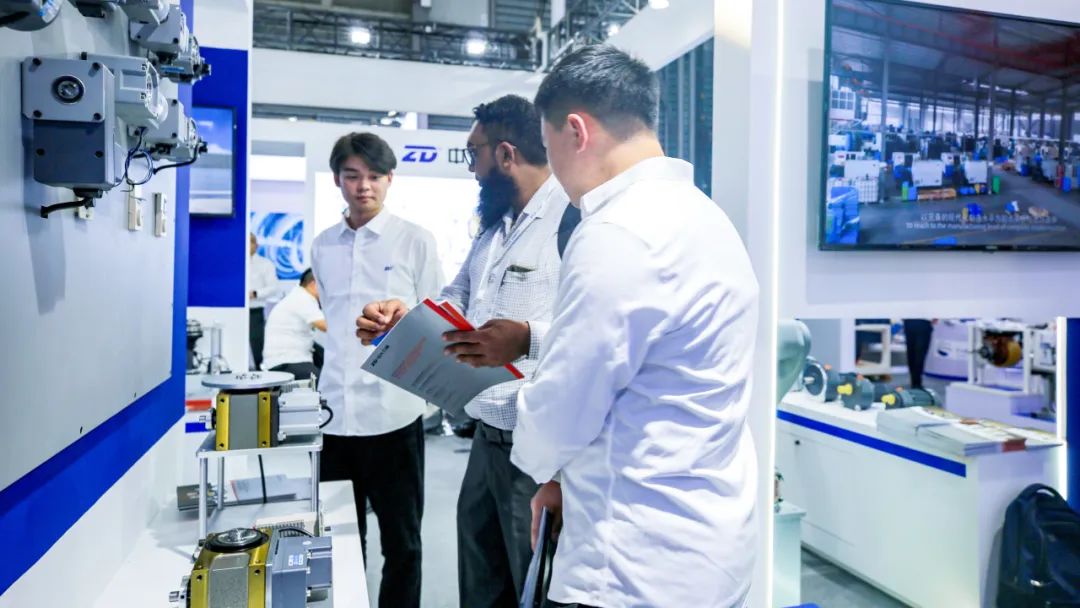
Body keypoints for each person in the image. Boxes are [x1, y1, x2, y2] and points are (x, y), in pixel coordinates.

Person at [510, 45, 760, 608]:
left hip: (630, 561)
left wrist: (529, 438)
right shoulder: (705, 218)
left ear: (576, 131)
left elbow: (563, 408)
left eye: (549, 150)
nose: (555, 175)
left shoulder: (617, 232)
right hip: (708, 546)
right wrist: (561, 477)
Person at [355, 94, 577, 608]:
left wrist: (527, 336)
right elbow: (458, 295)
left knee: (534, 587)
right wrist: (406, 318)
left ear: (506, 154)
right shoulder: (494, 227)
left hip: (539, 445)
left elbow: (595, 329)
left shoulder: (570, 222)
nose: (471, 169)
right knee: (480, 581)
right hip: (486, 438)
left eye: (473, 154)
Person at [310, 132, 443, 608]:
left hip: (394, 415)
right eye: (352, 176)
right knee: (337, 540)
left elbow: (434, 320)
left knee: (402, 545)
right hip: (334, 418)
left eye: (373, 176)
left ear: (390, 179)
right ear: (337, 180)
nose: (363, 186)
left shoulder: (414, 240)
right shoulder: (323, 245)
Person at [261, 268, 327, 379]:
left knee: (327, 360)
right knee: (324, 383)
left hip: (287, 360)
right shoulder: (303, 298)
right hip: (287, 362)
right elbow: (325, 326)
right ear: (314, 284)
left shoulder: (298, 295)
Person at [248, 232, 279, 370]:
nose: (247, 245)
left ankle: (261, 373)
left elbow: (273, 288)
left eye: (250, 242)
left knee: (257, 344)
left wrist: (255, 293)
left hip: (255, 311)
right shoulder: (235, 263)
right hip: (237, 312)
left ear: (256, 245)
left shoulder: (265, 264)